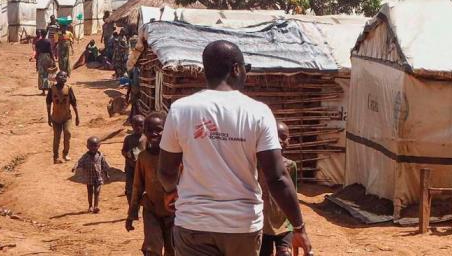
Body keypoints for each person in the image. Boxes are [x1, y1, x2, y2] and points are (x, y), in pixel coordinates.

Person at [157, 40, 313, 256]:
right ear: (236, 69)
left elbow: (166, 170)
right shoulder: (258, 112)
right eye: (245, 70)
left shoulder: (180, 110)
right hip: (242, 227)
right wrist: (299, 227)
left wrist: (170, 191)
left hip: (193, 224)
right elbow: (277, 178)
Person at [127, 112, 175, 256]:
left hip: (174, 212)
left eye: (158, 130)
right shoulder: (143, 158)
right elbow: (137, 186)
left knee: (173, 248)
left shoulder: (175, 156)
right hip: (151, 209)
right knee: (151, 248)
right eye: (149, 130)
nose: (153, 133)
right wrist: (132, 213)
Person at [260, 121, 298, 256]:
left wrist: (296, 223)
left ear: (289, 140)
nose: (280, 141)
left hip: (284, 223)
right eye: (276, 137)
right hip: (262, 224)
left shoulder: (291, 165)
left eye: (284, 137)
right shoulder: (256, 165)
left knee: (285, 253)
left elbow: (292, 195)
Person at [46, 71, 80, 164]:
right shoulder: (52, 89)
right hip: (56, 118)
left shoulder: (68, 88)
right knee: (56, 137)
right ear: (56, 78)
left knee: (67, 133)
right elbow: (48, 103)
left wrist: (77, 116)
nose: (63, 78)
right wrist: (49, 117)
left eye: (65, 76)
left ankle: (65, 153)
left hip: (67, 117)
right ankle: (55, 156)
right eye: (61, 76)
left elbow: (74, 103)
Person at [73, 136, 111, 214]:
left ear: (99, 146)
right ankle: (90, 206)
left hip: (98, 177)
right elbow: (79, 162)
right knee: (90, 191)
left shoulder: (100, 156)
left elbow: (104, 165)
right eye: (91, 146)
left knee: (97, 191)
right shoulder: (85, 156)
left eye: (95, 146)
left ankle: (96, 206)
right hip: (89, 177)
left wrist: (106, 174)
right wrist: (75, 167)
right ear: (87, 146)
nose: (93, 148)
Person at [122, 113, 146, 205]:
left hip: (143, 169)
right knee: (130, 190)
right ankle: (132, 209)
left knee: (144, 189)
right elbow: (123, 151)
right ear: (132, 126)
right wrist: (128, 155)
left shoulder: (146, 138)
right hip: (130, 168)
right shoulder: (128, 139)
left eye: (141, 125)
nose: (138, 128)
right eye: (135, 125)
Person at [33, 29, 55, 94]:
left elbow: (37, 53)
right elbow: (50, 51)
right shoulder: (48, 41)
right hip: (47, 57)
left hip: (40, 58)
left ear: (41, 34)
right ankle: (49, 88)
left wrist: (37, 62)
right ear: (46, 34)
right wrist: (53, 60)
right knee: (48, 73)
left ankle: (43, 91)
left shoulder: (38, 42)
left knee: (41, 74)